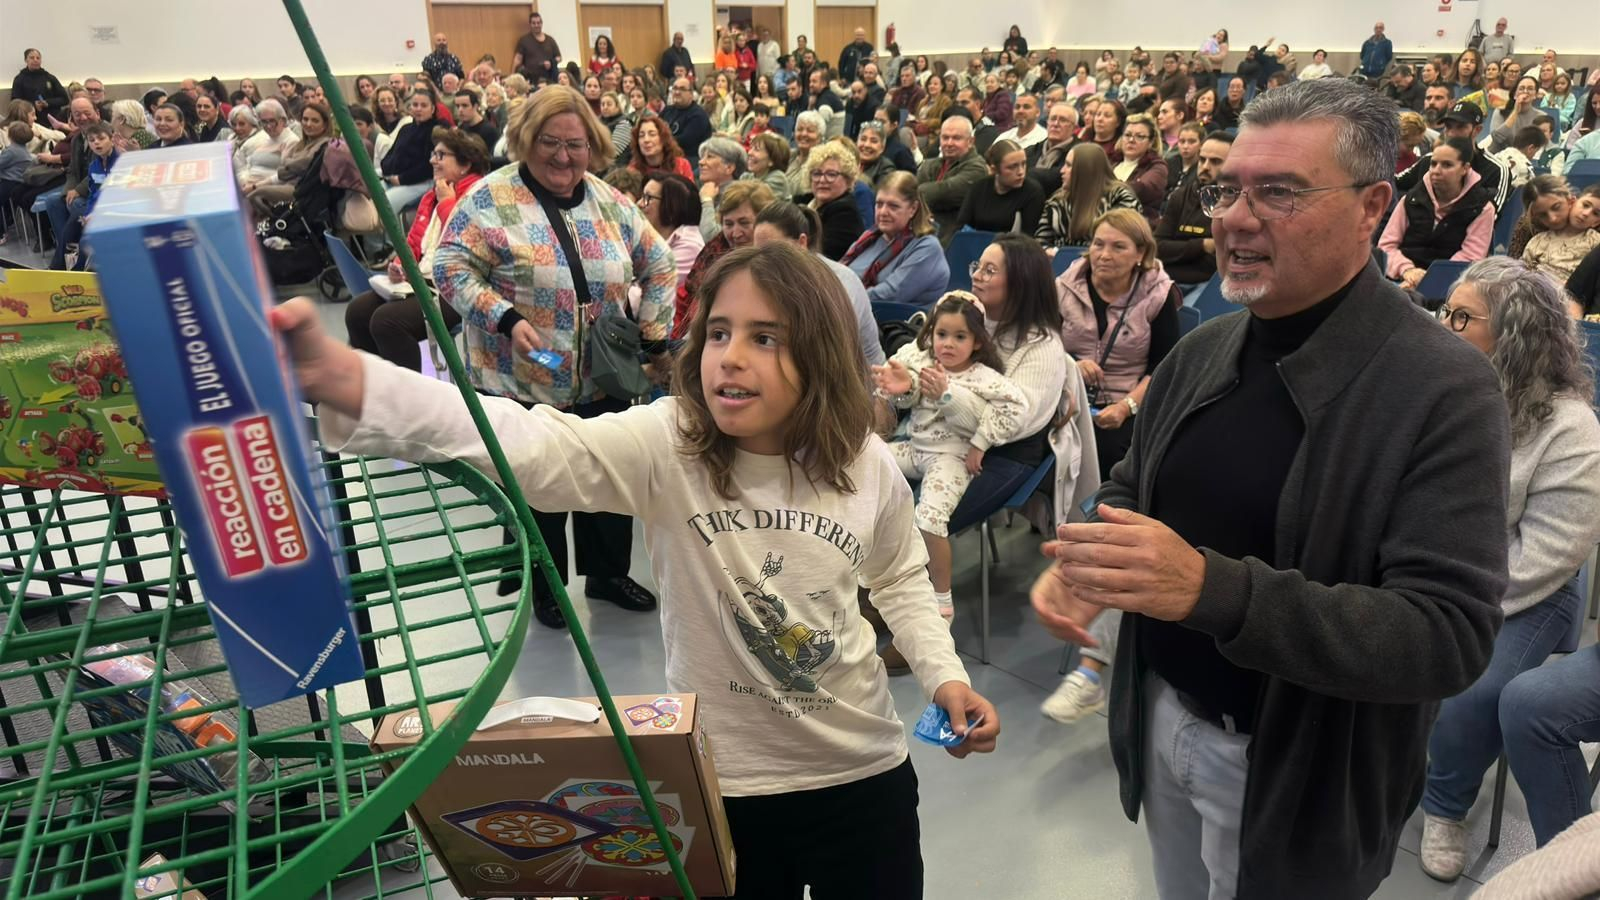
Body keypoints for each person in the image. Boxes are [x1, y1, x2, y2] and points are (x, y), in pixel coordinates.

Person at [279, 234, 1000, 898]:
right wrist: (351, 380)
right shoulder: (671, 443)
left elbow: (899, 576)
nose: (730, 356)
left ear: (821, 357)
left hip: (861, 772)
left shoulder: (863, 462)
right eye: (718, 332)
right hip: (724, 785)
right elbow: (527, 443)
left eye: (765, 338)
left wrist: (945, 674)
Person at [1029, 77, 1512, 899]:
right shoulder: (1205, 349)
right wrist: (1092, 553)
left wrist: (1211, 590)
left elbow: (1446, 635)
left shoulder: (1444, 389)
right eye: (1228, 191)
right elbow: (1135, 483)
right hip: (1166, 716)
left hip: (1298, 765)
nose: (1235, 219)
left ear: (1370, 208)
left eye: (1280, 192)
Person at [426, 86, 675, 629]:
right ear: (523, 140)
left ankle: (607, 575)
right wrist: (504, 318)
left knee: (608, 477)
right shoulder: (489, 199)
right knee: (536, 484)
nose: (563, 156)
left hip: (602, 376)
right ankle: (545, 583)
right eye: (549, 142)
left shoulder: (611, 202)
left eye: (576, 144)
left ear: (594, 145)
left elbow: (659, 263)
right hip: (522, 380)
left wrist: (654, 338)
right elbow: (448, 267)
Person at [1415, 255, 1600, 881]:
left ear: (1513, 338)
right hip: (1435, 565)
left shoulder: (1569, 428)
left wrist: (1451, 600)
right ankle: (1380, 757)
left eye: (1460, 317)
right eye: (1445, 310)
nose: (1443, 326)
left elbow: (1549, 552)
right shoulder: (1436, 390)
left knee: (1476, 684)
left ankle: (1445, 804)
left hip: (1527, 586)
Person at [877, 232, 1069, 672]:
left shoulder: (1041, 345)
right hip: (934, 437)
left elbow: (1012, 422)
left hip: (1004, 454)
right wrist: (904, 380)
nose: (977, 276)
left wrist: (945, 393)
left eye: (989, 270)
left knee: (921, 517)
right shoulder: (966, 314)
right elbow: (914, 358)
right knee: (874, 486)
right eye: (976, 267)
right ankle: (884, 595)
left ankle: (924, 628)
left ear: (1019, 282)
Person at [872, 290, 1030, 622]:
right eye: (942, 334)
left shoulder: (984, 377)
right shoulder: (924, 362)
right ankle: (872, 573)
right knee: (863, 459)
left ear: (976, 342)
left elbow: (1015, 410)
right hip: (914, 449)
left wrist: (981, 442)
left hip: (950, 458)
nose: (948, 344)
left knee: (928, 520)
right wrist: (902, 389)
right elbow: (908, 396)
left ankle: (941, 598)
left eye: (960, 336)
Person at [345, 129, 485, 372]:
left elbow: (466, 243)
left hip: (457, 288)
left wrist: (447, 203)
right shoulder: (433, 194)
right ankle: (376, 384)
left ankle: (408, 399)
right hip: (421, 281)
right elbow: (412, 243)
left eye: (441, 155)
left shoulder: (478, 195)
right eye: (433, 153)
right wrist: (399, 265)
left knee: (387, 321)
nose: (432, 160)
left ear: (465, 164)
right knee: (357, 312)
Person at [1057, 208, 1180, 480]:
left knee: (1110, 453)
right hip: (1067, 395)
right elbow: (1045, 347)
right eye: (1098, 244)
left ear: (1140, 254)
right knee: (1044, 445)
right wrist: (1072, 364)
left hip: (1128, 400)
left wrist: (1126, 407)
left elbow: (1163, 368)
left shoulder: (1158, 294)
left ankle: (1099, 518)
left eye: (1118, 247)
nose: (1104, 254)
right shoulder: (1064, 287)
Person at [751, 202, 889, 380]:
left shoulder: (841, 282)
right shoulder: (769, 279)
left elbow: (827, 359)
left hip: (859, 385)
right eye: (757, 253)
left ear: (801, 242)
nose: (764, 262)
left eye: (773, 251)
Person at [1380, 136, 1496, 289]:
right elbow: (1386, 246)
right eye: (1433, 164)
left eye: (1447, 165)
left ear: (1465, 169)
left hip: (1450, 287)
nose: (1436, 171)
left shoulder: (1482, 208)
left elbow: (1470, 258)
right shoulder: (1411, 199)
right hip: (1400, 279)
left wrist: (1427, 280)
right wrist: (1407, 270)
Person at [677, 180, 776, 339]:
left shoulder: (776, 265)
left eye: (744, 223)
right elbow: (685, 303)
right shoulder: (712, 253)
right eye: (728, 224)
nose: (735, 234)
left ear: (765, 221)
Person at [842, 171, 949, 307]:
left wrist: (839, 299)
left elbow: (890, 295)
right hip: (851, 311)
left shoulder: (927, 247)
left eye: (893, 206)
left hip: (892, 322)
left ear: (913, 209)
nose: (883, 212)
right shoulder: (870, 238)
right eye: (879, 204)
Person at [1397, 101, 1510, 213]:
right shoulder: (1430, 160)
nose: (1451, 133)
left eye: (1460, 127)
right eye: (1448, 127)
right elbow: (1394, 183)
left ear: (1477, 130)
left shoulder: (1497, 170)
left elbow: (1493, 215)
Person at [1155, 131, 1232, 287]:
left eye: (1216, 162)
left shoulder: (1235, 203)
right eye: (1202, 159)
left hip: (1207, 285)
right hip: (1166, 278)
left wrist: (1175, 255)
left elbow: (1214, 263)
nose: (1205, 167)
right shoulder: (1180, 196)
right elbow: (1158, 247)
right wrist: (1202, 245)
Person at [1036, 143, 1140, 250]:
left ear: (1085, 169)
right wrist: (1047, 251)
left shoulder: (1120, 197)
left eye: (1068, 165)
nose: (1062, 171)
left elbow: (1122, 242)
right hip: (1060, 261)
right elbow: (1041, 241)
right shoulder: (1057, 200)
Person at [243, 101, 331, 215]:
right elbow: (289, 166)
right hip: (286, 184)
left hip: (302, 190)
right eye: (305, 119)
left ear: (325, 124)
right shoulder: (302, 143)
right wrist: (289, 165)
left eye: (315, 120)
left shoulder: (324, 144)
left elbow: (298, 166)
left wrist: (288, 165)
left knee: (256, 194)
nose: (308, 124)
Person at [917, 116, 989, 243]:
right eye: (945, 138)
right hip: (923, 232)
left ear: (971, 141)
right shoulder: (929, 165)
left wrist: (918, 193)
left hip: (952, 238)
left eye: (956, 138)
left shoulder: (977, 168)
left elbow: (943, 192)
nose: (949, 143)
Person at [952, 138, 1045, 236]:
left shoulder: (1032, 192)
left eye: (1024, 164)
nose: (1021, 172)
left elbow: (1028, 237)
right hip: (976, 245)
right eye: (1012, 167)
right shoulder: (979, 188)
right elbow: (961, 228)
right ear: (994, 169)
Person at [639, 172, 703, 300]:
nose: (639, 204)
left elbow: (651, 293)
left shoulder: (690, 246)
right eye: (641, 197)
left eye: (648, 198)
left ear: (672, 205)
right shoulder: (649, 238)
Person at [1521, 184, 1600, 284]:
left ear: (1596, 223)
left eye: (1596, 213)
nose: (1586, 213)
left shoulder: (1595, 243)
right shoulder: (1539, 240)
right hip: (1535, 290)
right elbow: (1521, 272)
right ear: (1572, 202)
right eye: (1585, 205)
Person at [378, 91, 439, 213]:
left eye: (423, 105)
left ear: (432, 109)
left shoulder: (437, 130)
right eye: (415, 105)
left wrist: (401, 179)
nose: (418, 109)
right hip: (395, 177)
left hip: (423, 182)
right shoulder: (406, 128)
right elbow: (391, 154)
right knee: (373, 193)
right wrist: (388, 173)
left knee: (386, 203)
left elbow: (428, 166)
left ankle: (392, 232)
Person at [805, 140, 865, 260]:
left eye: (831, 174)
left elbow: (822, 257)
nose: (822, 180)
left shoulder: (845, 213)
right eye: (817, 173)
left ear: (848, 180)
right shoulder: (809, 204)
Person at [1109, 115, 1169, 225]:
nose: (1131, 140)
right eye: (1127, 135)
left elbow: (1142, 189)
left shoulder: (1157, 167)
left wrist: (1105, 188)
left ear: (1151, 142)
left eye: (1140, 137)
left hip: (1138, 224)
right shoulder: (1112, 162)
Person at [697, 137, 748, 239]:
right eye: (702, 157)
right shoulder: (707, 190)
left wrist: (707, 201)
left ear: (729, 168)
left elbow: (710, 238)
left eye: (710, 157)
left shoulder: (737, 196)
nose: (701, 162)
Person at [1028, 101, 1080, 196]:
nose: (1055, 124)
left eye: (1063, 120)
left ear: (1074, 128)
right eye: (1052, 119)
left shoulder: (1079, 152)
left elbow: (1057, 178)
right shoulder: (1031, 149)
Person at [11, 49, 69, 123]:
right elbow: (15, 102)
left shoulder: (50, 78)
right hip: (30, 121)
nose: (35, 60)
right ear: (26, 60)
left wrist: (48, 103)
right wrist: (33, 104)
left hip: (53, 119)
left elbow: (64, 99)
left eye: (38, 58)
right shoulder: (19, 79)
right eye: (32, 58)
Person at [662, 77, 713, 162]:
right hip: (667, 155)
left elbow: (684, 141)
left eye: (682, 89)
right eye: (675, 88)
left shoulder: (698, 115)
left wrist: (659, 140)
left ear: (691, 94)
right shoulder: (667, 110)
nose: (677, 92)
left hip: (690, 158)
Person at [628, 116, 694, 180]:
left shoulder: (681, 165)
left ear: (663, 138)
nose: (646, 140)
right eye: (641, 136)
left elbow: (690, 190)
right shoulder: (632, 171)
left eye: (652, 134)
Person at [1493, 125, 1549, 191]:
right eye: (1536, 151)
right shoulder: (1526, 169)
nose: (1534, 155)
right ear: (1530, 148)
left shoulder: (1497, 156)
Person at [742, 130, 792, 201]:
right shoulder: (746, 177)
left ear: (771, 160)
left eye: (756, 149)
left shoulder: (778, 178)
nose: (750, 153)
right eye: (751, 148)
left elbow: (756, 204)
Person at [513, 13, 561, 84]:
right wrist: (513, 76)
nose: (536, 25)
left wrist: (551, 62)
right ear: (530, 24)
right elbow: (517, 59)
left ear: (541, 24)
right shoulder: (524, 40)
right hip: (530, 81)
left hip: (549, 80)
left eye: (538, 23)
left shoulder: (550, 40)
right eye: (534, 23)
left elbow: (559, 57)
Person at [786, 111, 826, 198]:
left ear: (820, 136)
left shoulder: (822, 163)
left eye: (810, 130)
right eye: (799, 129)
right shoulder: (788, 155)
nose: (803, 134)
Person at [1165, 121, 1205, 194]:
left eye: (1192, 142)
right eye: (1182, 141)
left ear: (1201, 144)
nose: (1185, 146)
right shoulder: (1169, 163)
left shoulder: (1203, 168)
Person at [453, 90, 499, 154]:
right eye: (458, 106)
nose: (460, 110)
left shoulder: (489, 131)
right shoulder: (462, 127)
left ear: (475, 106)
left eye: (465, 106)